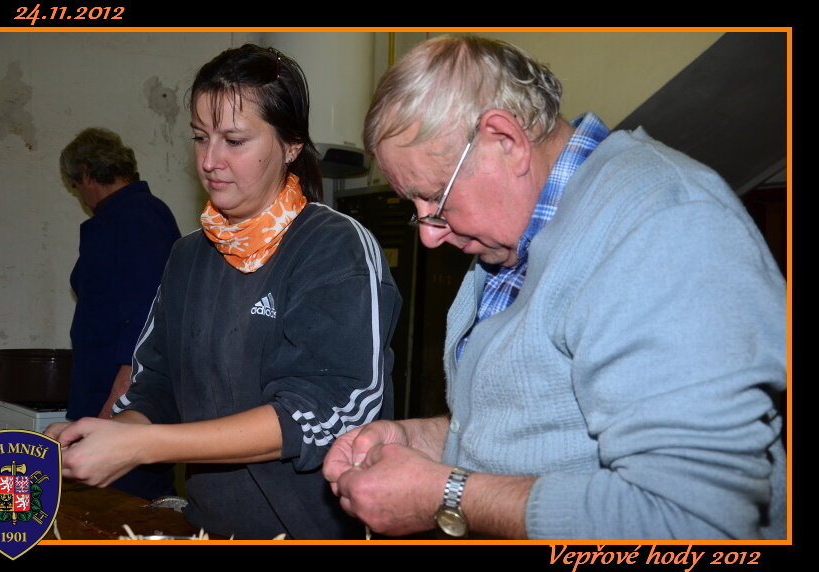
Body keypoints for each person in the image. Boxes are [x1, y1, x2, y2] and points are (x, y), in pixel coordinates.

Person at [323, 34, 787, 541]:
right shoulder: (512, 239)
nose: (430, 235)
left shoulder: (667, 225)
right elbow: (546, 428)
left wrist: (444, 494)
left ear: (505, 140)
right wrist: (417, 442)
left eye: (435, 198)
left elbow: (693, 519)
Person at [46, 44, 401, 540]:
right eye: (200, 137)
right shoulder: (188, 257)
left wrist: (146, 447)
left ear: (291, 145)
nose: (210, 161)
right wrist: (112, 434)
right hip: (211, 528)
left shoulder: (333, 246)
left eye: (234, 140)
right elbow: (157, 386)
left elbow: (323, 411)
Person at [59, 127, 181, 500]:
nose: (79, 196)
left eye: (75, 186)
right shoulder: (117, 219)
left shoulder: (138, 216)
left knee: (125, 509)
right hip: (103, 400)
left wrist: (114, 412)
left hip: (125, 406)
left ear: (86, 173)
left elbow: (146, 322)